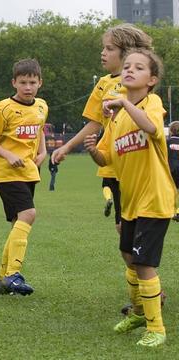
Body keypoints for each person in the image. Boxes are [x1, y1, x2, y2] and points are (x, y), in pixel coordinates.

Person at [84, 48, 172, 348]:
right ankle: (137, 313)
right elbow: (106, 157)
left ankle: (156, 328)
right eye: (127, 67)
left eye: (138, 68)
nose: (129, 71)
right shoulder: (116, 119)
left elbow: (150, 127)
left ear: (152, 80)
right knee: (132, 261)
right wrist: (95, 150)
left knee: (144, 263)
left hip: (156, 198)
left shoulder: (151, 103)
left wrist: (123, 102)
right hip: (131, 202)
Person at [51, 24, 152, 230]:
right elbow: (95, 122)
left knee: (136, 223)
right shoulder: (103, 84)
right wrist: (67, 147)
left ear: (127, 52)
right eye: (103, 48)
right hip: (113, 160)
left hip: (137, 158)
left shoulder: (139, 81)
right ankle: (135, 262)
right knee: (121, 226)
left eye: (109, 48)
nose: (103, 53)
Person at [0, 59, 47, 296]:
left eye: (32, 82)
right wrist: (8, 155)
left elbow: (40, 128)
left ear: (40, 82)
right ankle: (13, 274)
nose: (28, 87)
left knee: (17, 224)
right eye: (23, 82)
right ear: (14, 83)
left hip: (29, 171)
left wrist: (43, 151)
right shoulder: (3, 108)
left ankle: (2, 278)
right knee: (29, 214)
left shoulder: (41, 106)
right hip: (7, 171)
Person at [167, 121, 179, 221]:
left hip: (169, 169)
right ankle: (178, 212)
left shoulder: (168, 142)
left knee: (170, 191)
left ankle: (169, 211)